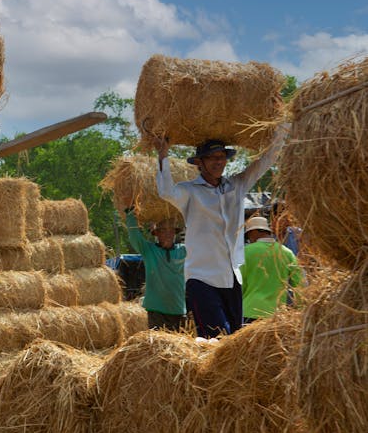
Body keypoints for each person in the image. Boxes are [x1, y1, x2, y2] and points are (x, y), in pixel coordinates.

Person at [155, 124, 289, 338]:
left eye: (221, 157)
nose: (218, 162)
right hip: (202, 279)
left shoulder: (236, 186)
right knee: (217, 337)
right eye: (212, 158)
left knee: (235, 339)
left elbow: (263, 163)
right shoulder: (190, 192)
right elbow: (166, 191)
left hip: (232, 278)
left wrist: (280, 132)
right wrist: (163, 155)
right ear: (200, 162)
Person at [121, 195, 187, 331]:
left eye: (171, 231)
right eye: (163, 231)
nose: (168, 234)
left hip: (179, 310)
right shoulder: (150, 251)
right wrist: (131, 212)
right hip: (156, 312)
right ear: (156, 234)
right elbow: (135, 236)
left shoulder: (183, 251)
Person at [240, 215, 303, 323]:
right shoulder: (287, 253)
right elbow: (299, 283)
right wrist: (300, 309)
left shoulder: (245, 252)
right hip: (277, 314)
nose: (249, 239)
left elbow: (240, 284)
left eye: (248, 236)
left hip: (249, 311)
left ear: (253, 232)